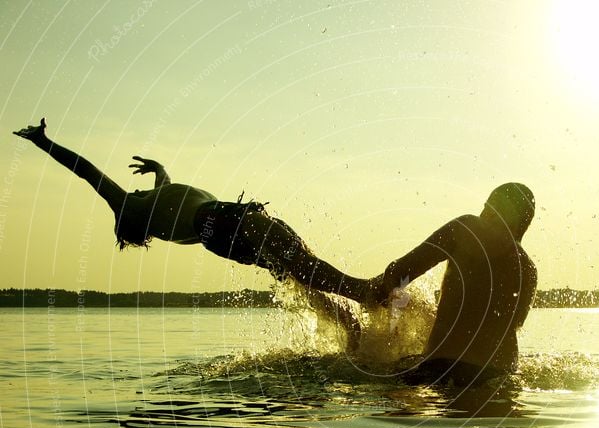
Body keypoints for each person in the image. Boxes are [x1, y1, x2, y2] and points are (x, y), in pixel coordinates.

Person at [12, 118, 375, 306]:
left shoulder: (159, 211)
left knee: (293, 271)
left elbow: (168, 186)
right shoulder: (125, 204)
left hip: (217, 236)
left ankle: (349, 327)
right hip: (219, 218)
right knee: (298, 260)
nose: (136, 190)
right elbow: (86, 170)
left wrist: (158, 169)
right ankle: (365, 293)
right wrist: (44, 143)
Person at [377, 183, 537, 386]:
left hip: (443, 368)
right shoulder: (529, 270)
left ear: (493, 209)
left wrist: (385, 296)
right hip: (499, 376)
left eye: (488, 206)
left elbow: (401, 272)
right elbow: (511, 324)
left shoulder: (468, 228)